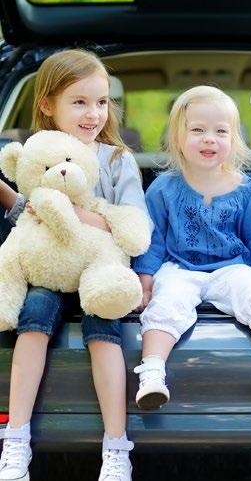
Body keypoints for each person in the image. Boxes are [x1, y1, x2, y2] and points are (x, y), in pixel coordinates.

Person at [0, 49, 147, 481]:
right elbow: (29, 219)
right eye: (79, 102)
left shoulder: (117, 160)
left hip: (98, 271)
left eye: (101, 102)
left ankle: (116, 447)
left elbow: (136, 224)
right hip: (48, 270)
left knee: (104, 327)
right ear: (47, 105)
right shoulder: (33, 154)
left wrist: (82, 217)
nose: (93, 114)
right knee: (34, 316)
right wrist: (14, 199)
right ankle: (16, 440)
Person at [132, 85, 251, 411]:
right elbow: (151, 240)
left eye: (220, 131)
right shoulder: (163, 188)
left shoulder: (246, 189)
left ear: (233, 139)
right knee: (166, 304)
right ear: (177, 138)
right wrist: (145, 279)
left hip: (231, 267)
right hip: (180, 267)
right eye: (197, 130)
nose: (209, 138)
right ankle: (153, 372)